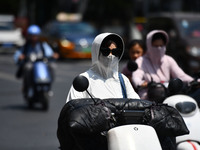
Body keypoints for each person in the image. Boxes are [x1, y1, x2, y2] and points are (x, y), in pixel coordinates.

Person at [66, 32, 140, 102]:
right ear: (96, 52)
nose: (110, 56)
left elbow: (136, 104)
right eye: (106, 51)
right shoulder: (83, 80)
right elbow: (73, 108)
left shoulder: (122, 80)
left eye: (115, 52)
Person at [132, 29, 194, 100]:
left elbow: (181, 75)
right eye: (155, 46)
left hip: (167, 95)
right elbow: (136, 77)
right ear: (149, 46)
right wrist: (141, 83)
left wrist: (193, 81)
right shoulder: (140, 61)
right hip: (148, 98)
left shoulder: (168, 60)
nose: (159, 49)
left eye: (161, 46)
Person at [13, 24, 59, 95]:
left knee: (52, 66)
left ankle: (48, 86)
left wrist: (54, 55)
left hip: (42, 64)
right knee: (28, 67)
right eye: (32, 35)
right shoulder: (26, 46)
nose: (33, 38)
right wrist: (20, 57)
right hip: (31, 64)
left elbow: (50, 53)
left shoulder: (42, 45)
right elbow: (18, 55)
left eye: (35, 35)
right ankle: (28, 86)